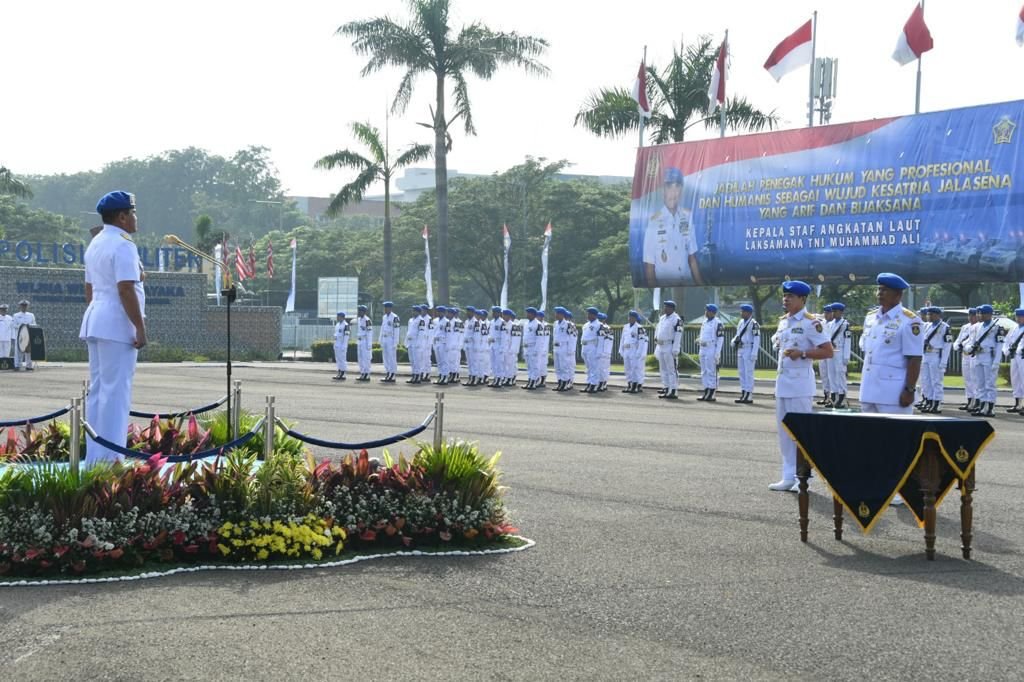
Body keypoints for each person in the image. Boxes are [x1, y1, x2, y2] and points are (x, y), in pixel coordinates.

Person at [79, 190, 146, 464]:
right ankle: (112, 461)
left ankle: (96, 459)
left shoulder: (96, 243)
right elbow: (126, 289)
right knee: (116, 395)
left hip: (97, 320)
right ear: (122, 217)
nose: (135, 218)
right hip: (117, 325)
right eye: (132, 213)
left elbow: (89, 289)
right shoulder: (123, 244)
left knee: (98, 394)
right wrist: (139, 327)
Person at [770, 280, 833, 492]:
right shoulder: (784, 322)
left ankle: (803, 477)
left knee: (801, 432)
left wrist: (803, 353)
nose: (785, 299)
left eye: (790, 296)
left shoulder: (811, 323)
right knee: (784, 432)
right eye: (784, 295)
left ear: (802, 299)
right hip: (783, 383)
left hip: (799, 385)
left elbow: (827, 351)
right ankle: (788, 475)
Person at [859, 273, 924, 415]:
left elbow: (914, 358)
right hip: (868, 390)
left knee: (895, 429)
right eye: (879, 289)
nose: (880, 293)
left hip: (893, 393)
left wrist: (909, 390)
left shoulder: (910, 321)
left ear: (898, 295)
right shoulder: (871, 318)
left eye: (885, 290)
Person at [642, 168, 703, 286]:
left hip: (688, 285)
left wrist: (701, 287)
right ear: (662, 191)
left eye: (677, 187)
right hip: (666, 288)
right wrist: (656, 293)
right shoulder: (654, 221)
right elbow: (649, 266)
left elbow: (692, 259)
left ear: (681, 190)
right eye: (669, 187)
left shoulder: (687, 216)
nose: (673, 193)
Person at [964, 304, 1002, 416]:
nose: (979, 315)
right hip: (978, 356)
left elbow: (999, 346)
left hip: (989, 357)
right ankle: (982, 406)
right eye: (979, 313)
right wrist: (969, 348)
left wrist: (996, 362)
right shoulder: (976, 327)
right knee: (979, 383)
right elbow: (970, 341)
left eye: (982, 313)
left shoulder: (996, 327)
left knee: (990, 384)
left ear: (989, 314)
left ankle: (990, 408)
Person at [919, 306, 952, 413]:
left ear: (938, 315)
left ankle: (937, 403)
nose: (928, 316)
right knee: (926, 380)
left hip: (936, 355)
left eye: (931, 314)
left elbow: (947, 346)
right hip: (926, 355)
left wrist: (943, 362)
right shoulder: (927, 326)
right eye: (928, 314)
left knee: (936, 381)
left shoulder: (944, 327)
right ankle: (929, 401)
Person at [654, 300, 683, 400]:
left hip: (669, 346)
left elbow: (678, 335)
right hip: (661, 345)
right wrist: (656, 341)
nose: (664, 308)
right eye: (664, 306)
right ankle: (666, 388)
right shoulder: (662, 318)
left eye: (666, 307)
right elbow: (658, 330)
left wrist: (675, 349)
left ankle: (673, 390)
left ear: (671, 308)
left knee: (671, 370)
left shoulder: (676, 319)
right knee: (663, 369)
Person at [731, 303, 759, 404]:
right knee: (741, 372)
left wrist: (754, 353)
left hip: (749, 348)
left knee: (748, 373)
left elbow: (757, 339)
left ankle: (749, 394)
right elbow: (738, 334)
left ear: (749, 313)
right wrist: (733, 341)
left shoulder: (753, 323)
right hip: (741, 348)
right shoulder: (741, 322)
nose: (741, 313)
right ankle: (743, 392)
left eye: (743, 311)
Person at [696, 303, 724, 402]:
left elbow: (720, 339)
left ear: (712, 312)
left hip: (711, 348)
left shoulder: (718, 323)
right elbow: (702, 334)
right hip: (703, 348)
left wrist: (717, 353)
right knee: (704, 371)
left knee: (711, 371)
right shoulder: (704, 322)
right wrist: (699, 340)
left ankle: (712, 392)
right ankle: (706, 390)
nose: (706, 312)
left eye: (707, 310)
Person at [826, 302, 852, 408]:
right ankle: (833, 396)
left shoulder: (845, 325)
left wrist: (846, 356)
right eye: (832, 311)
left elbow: (848, 341)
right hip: (831, 351)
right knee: (831, 374)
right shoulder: (830, 324)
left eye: (835, 311)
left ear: (841, 312)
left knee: (840, 374)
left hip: (840, 351)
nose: (833, 313)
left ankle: (841, 397)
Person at [954, 308, 979, 412]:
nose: (971, 318)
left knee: (975, 379)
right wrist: (957, 346)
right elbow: (958, 340)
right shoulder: (965, 327)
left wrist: (964, 344)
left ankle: (976, 401)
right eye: (969, 315)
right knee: (967, 379)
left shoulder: (979, 327)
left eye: (973, 316)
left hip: (973, 355)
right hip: (965, 355)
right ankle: (969, 400)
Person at [620, 310, 648, 393]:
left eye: (632, 317)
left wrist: (639, 352)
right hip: (626, 349)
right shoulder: (625, 327)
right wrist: (621, 349)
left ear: (635, 318)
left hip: (634, 349)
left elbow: (641, 341)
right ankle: (629, 384)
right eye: (629, 317)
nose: (630, 318)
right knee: (627, 368)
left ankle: (634, 386)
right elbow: (622, 339)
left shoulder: (639, 328)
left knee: (634, 368)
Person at [1003, 308, 1024, 413]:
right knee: (1015, 380)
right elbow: (1006, 341)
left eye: (1021, 316)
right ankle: (1017, 404)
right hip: (1014, 356)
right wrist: (1006, 350)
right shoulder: (1014, 328)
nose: (1018, 318)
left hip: (1022, 356)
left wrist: (1020, 349)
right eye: (1017, 316)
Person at [551, 307, 576, 392]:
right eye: (556, 313)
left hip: (564, 347)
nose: (556, 315)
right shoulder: (555, 323)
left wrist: (570, 350)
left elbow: (572, 337)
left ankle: (565, 384)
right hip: (556, 347)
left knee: (564, 366)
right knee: (557, 367)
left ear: (562, 314)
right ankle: (560, 383)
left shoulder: (568, 324)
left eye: (558, 313)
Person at [579, 307, 602, 393]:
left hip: (593, 346)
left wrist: (599, 351)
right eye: (588, 313)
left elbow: (601, 340)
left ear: (594, 315)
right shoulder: (586, 325)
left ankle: (593, 385)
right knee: (588, 367)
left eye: (589, 314)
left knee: (593, 367)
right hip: (585, 346)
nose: (588, 315)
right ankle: (589, 383)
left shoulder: (599, 325)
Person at [817, 305, 835, 406]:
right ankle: (826, 395)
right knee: (823, 374)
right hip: (822, 351)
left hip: (831, 351)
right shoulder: (821, 323)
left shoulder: (835, 323)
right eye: (825, 313)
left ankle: (833, 397)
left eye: (828, 313)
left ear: (832, 313)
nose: (826, 315)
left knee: (831, 375)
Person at [379, 301, 400, 383]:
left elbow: (397, 331)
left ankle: (392, 374)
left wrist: (395, 342)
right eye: (384, 307)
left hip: (391, 339)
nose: (385, 309)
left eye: (386, 307)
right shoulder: (384, 317)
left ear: (390, 308)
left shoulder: (395, 317)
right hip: (385, 339)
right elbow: (382, 328)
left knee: (391, 358)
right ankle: (388, 373)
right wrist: (380, 339)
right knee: (385, 358)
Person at [12, 300, 37, 370]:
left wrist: (29, 325)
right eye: (23, 306)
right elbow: (13, 325)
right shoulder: (16, 315)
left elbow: (34, 324)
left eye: (25, 306)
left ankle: (29, 366)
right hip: (19, 336)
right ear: (20, 306)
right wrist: (21, 326)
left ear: (27, 307)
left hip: (28, 335)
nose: (24, 307)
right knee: (18, 351)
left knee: (28, 351)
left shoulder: (31, 315)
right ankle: (17, 365)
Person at [521, 307, 541, 389]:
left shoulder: (538, 324)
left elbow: (539, 339)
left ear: (533, 314)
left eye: (529, 313)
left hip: (533, 347)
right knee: (529, 366)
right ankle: (529, 381)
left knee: (534, 366)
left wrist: (537, 350)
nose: (527, 314)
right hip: (526, 347)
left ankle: (533, 382)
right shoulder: (526, 323)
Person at [446, 307, 465, 384]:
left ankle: (454, 376)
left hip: (455, 346)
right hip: (449, 345)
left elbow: (459, 335)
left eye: (449, 313)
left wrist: (458, 345)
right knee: (450, 361)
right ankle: (452, 375)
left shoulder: (457, 323)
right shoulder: (448, 322)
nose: (448, 314)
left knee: (454, 361)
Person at [596, 312, 614, 392]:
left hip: (602, 351)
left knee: (601, 368)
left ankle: (601, 384)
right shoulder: (609, 328)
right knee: (605, 368)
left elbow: (600, 341)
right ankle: (604, 384)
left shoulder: (602, 328)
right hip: (607, 351)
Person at [405, 305, 422, 383]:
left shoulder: (421, 320)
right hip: (410, 342)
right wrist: (406, 341)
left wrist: (419, 343)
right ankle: (413, 375)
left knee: (416, 360)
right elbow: (408, 331)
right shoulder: (410, 320)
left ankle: (418, 376)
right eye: (413, 311)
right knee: (412, 360)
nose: (413, 312)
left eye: (415, 311)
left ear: (418, 312)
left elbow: (421, 333)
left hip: (416, 342)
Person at [355, 305, 372, 381]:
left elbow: (369, 333)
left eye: (360, 311)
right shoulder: (359, 319)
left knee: (366, 358)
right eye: (358, 310)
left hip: (365, 341)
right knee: (360, 358)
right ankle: (362, 373)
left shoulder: (367, 320)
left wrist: (369, 344)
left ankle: (367, 374)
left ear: (364, 312)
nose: (359, 312)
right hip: (360, 341)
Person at [533, 310, 550, 388]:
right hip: (537, 348)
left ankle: (542, 381)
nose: (537, 318)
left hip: (543, 348)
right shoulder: (536, 324)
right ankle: (537, 379)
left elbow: (546, 338)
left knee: (543, 365)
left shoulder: (545, 325)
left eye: (538, 316)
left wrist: (544, 349)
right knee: (537, 365)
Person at [332, 311, 350, 381]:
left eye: (338, 316)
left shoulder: (346, 325)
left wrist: (344, 346)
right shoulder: (337, 324)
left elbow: (346, 336)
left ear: (342, 317)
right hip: (337, 344)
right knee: (338, 359)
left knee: (342, 359)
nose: (337, 318)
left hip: (342, 345)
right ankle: (339, 372)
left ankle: (343, 373)